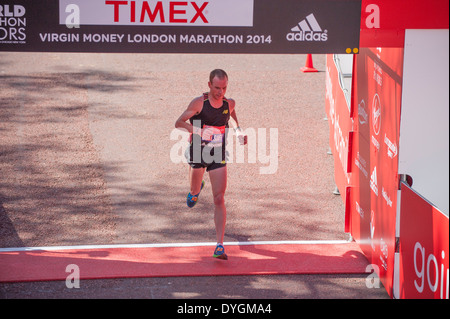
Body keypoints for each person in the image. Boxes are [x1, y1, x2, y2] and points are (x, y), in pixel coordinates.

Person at [175, 69, 247, 260]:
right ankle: (195, 189)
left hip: (218, 154)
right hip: (199, 151)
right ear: (209, 85)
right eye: (217, 88)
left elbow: (231, 115)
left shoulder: (228, 103)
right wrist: (196, 131)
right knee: (193, 191)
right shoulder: (199, 103)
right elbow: (179, 122)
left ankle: (220, 245)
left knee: (219, 198)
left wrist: (239, 131)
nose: (220, 92)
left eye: (224, 88)